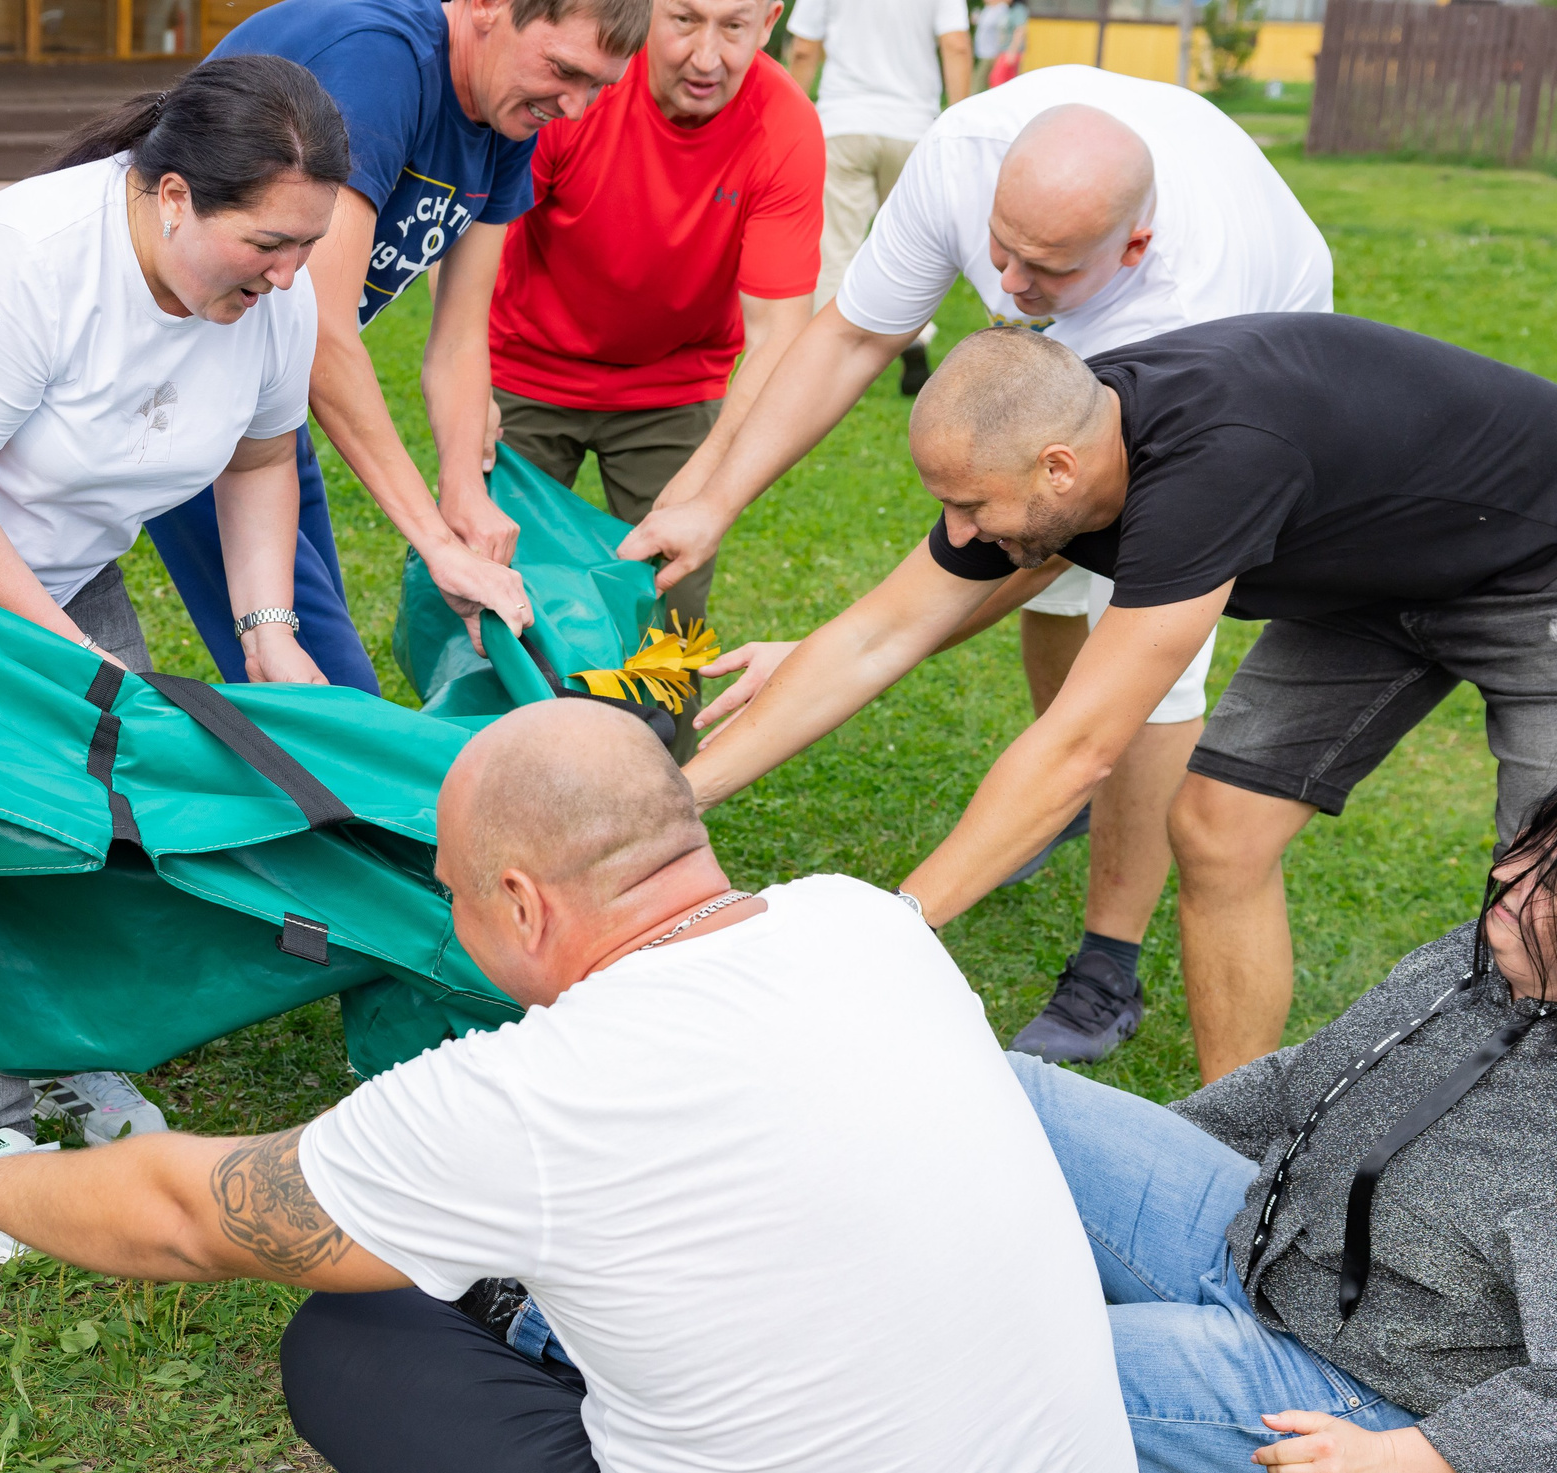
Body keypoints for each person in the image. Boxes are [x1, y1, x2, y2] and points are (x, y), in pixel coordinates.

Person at [0, 697, 1152, 1473]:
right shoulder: (865, 926)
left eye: (449, 886)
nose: (444, 906)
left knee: (355, 1339)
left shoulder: (536, 1097)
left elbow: (191, 1214)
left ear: (524, 902)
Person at [630, 71, 1331, 1064]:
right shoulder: (958, 157)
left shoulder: (1190, 307)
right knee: (1054, 644)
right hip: (1103, 321)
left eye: (1041, 269)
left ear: (1130, 246)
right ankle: (1054, 800)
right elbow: (854, 333)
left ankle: (1106, 961)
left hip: (1252, 344)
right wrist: (711, 499)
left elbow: (1036, 550)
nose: (1005, 287)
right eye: (997, 251)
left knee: (1141, 672)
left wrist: (844, 652)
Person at [680, 316, 1557, 1083]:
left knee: (1541, 902)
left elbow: (1079, 748)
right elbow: (874, 637)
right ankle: (1233, 1133)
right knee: (1219, 828)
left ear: (1058, 469)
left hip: (1535, 562)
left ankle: (1509, 1183)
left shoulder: (1208, 467)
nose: (957, 534)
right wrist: (678, 807)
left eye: (968, 505)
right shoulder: (1053, 438)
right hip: (1373, 570)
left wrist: (895, 927)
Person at [0, 58, 349, 1217]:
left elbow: (264, 458)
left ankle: (76, 1051)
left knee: (109, 816)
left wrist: (268, 629)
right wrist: (61, 658)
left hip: (67, 553)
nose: (286, 277)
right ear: (171, 197)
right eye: (266, 244)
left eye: (303, 247)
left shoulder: (276, 291)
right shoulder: (30, 257)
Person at [1010, 781, 1557, 1473]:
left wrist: (1391, 1462)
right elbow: (1313, 1077)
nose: (1509, 874)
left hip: (1355, 1398)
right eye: (1533, 843)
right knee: (1004, 1094)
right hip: (1255, 1233)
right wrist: (1120, 1176)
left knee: (1005, 1354)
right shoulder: (1485, 958)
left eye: (1551, 881)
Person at [144, 0, 648, 693]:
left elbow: (462, 335)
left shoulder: (507, 113)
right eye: (564, 70)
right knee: (325, 692)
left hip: (259, 392)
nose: (576, 106)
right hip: (167, 374)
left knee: (314, 681)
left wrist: (463, 491)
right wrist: (437, 545)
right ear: (488, 7)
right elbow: (319, 329)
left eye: (599, 86)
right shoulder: (380, 64)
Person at [483, 0, 822, 643]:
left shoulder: (786, 127)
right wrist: (470, 388)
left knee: (670, 609)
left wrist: (707, 478)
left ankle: (661, 749)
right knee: (486, 580)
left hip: (675, 386)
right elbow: (477, 238)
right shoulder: (581, 85)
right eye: (686, 20)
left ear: (770, 21)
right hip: (526, 367)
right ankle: (477, 743)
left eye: (733, 27)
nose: (706, 57)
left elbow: (780, 331)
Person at [781, 0, 969, 394]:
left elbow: (803, 48)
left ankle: (825, 363)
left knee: (836, 248)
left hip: (843, 124)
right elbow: (955, 45)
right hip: (912, 129)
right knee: (910, 250)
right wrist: (959, 118)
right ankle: (914, 341)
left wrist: (788, 118)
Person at [972, 0, 1026, 91]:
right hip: (1003, 51)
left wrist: (1012, 52)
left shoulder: (1018, 10)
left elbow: (1020, 31)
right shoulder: (1007, 9)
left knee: (998, 79)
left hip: (1010, 52)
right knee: (1003, 80)